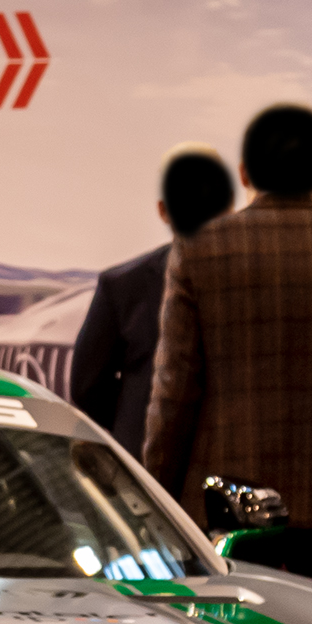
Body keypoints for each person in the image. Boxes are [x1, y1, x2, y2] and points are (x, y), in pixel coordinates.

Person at [143, 104, 312, 593]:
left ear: (245, 173)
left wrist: (154, 493)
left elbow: (175, 392)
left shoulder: (199, 248)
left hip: (226, 501)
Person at [70, 145, 233, 456]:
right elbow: (87, 387)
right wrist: (137, 419)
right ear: (163, 210)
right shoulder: (120, 286)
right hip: (146, 467)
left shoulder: (253, 281)